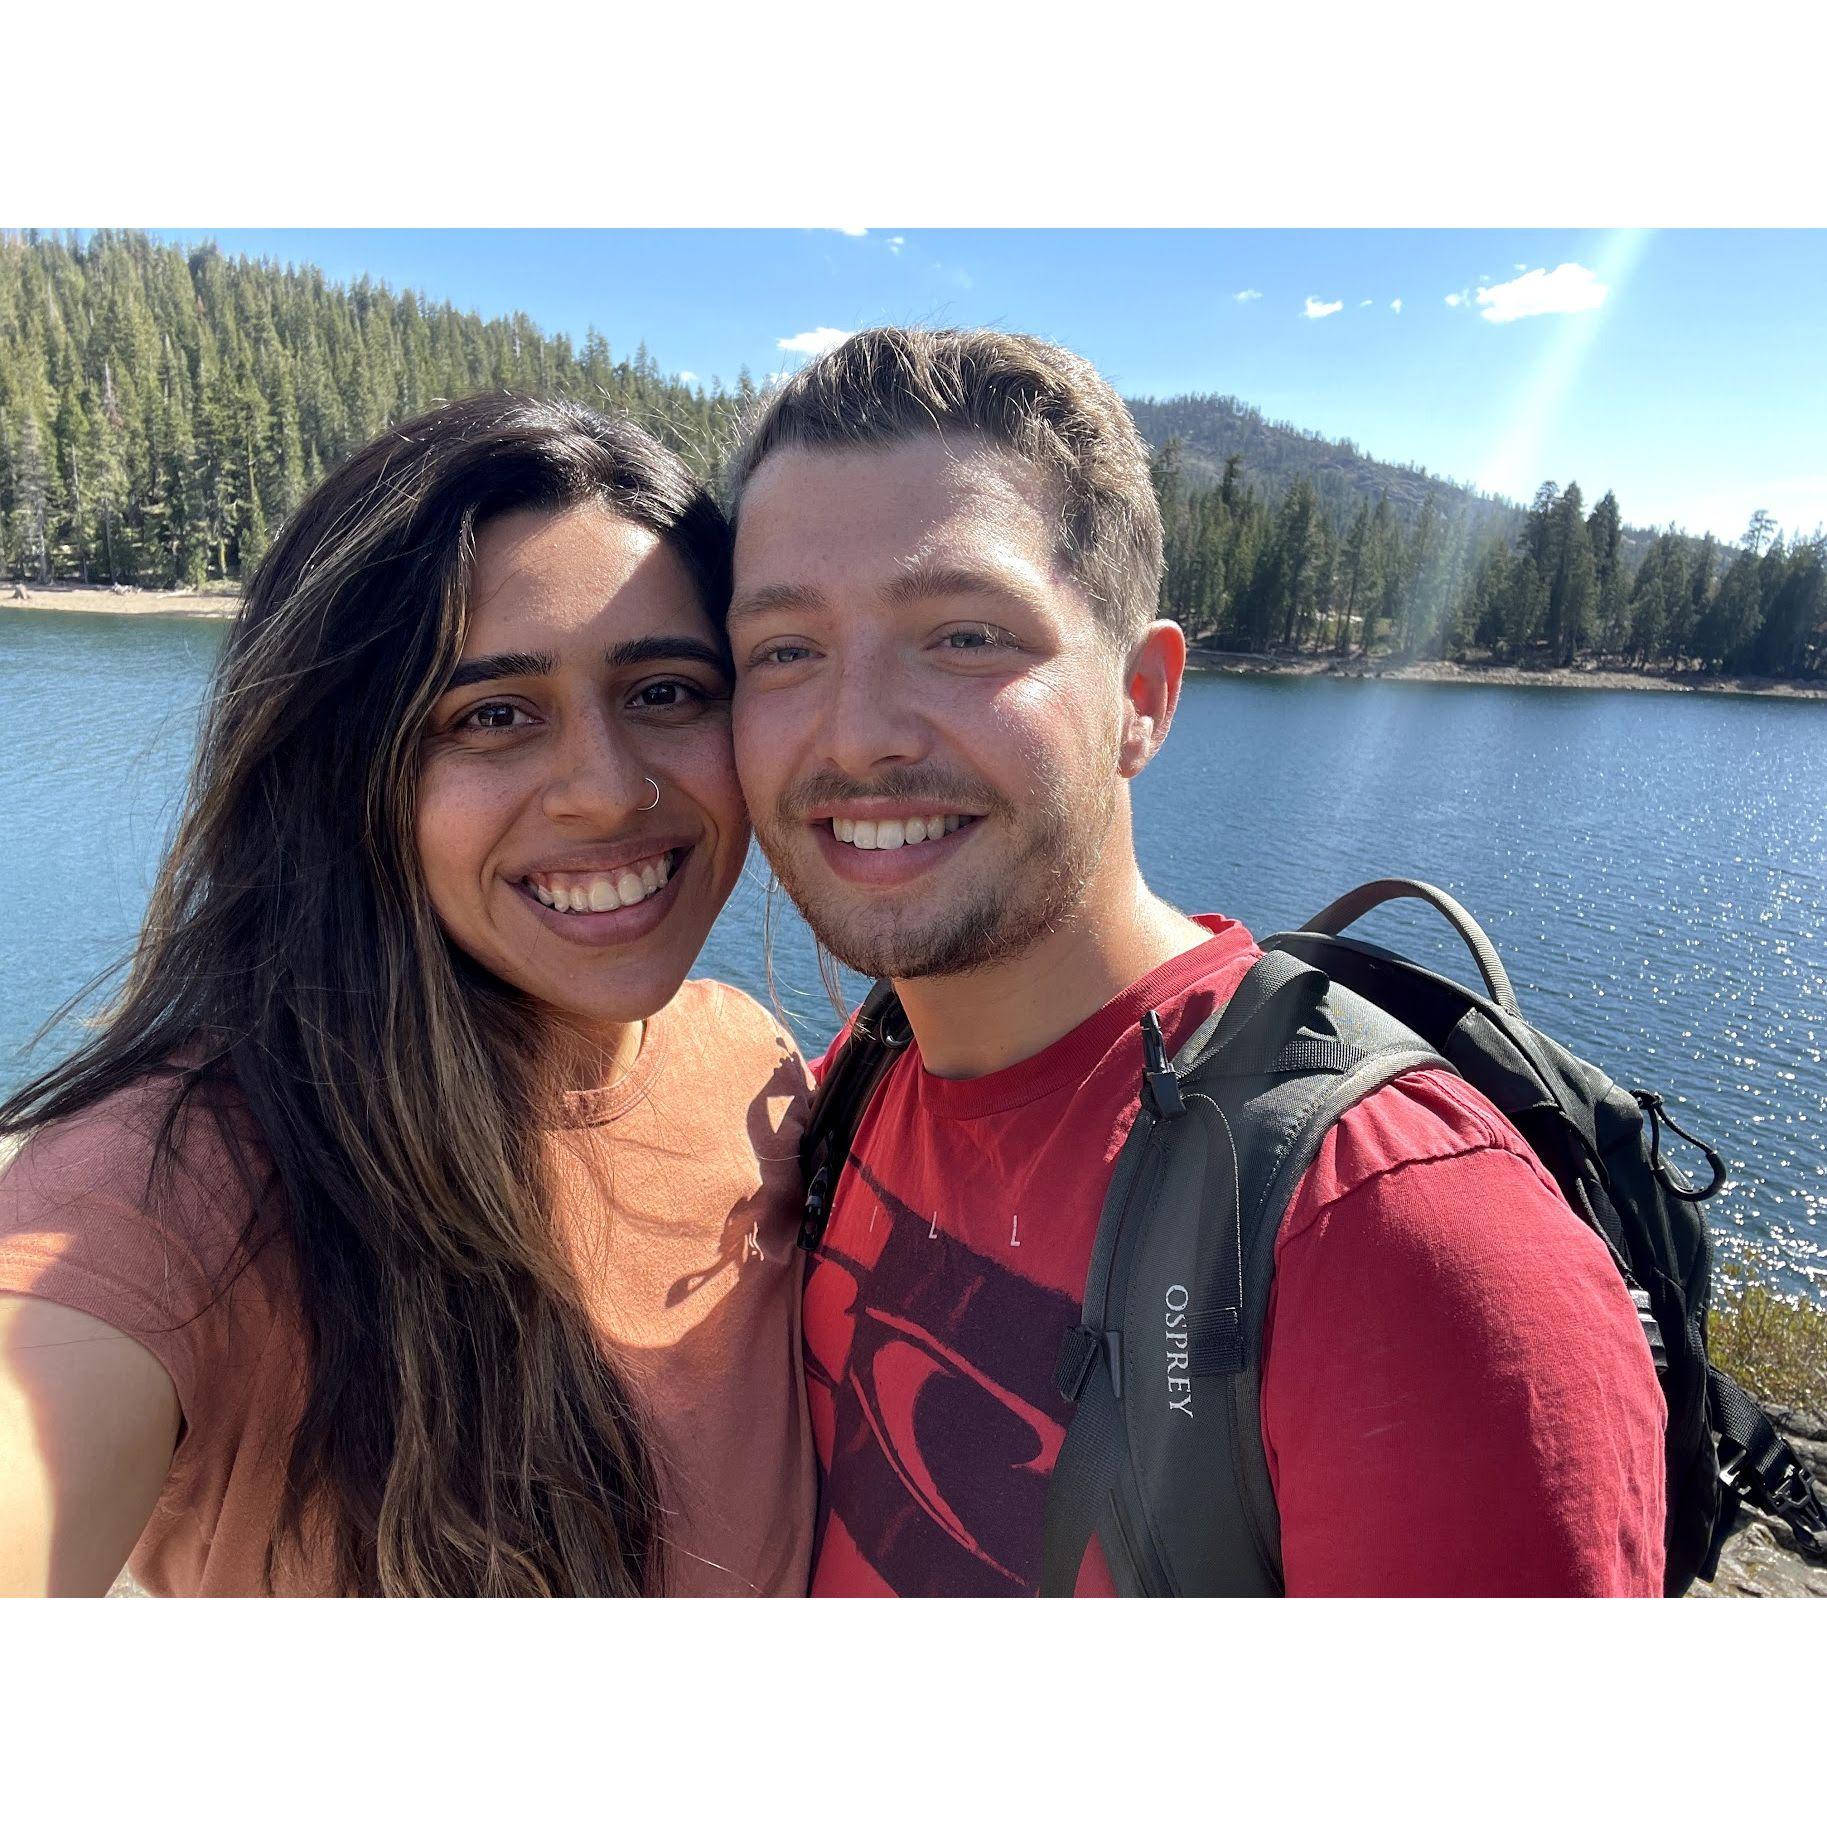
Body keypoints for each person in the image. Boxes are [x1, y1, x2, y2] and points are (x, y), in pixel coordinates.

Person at [725, 326, 1669, 1596]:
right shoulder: (852, 1086)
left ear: (1144, 699)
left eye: (965, 635)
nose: (857, 734)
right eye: (785, 650)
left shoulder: (1405, 1246)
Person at [0, 396, 814, 1597]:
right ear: (347, 770)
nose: (605, 791)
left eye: (667, 692)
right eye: (492, 715)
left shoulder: (756, 1067)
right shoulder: (174, 1187)